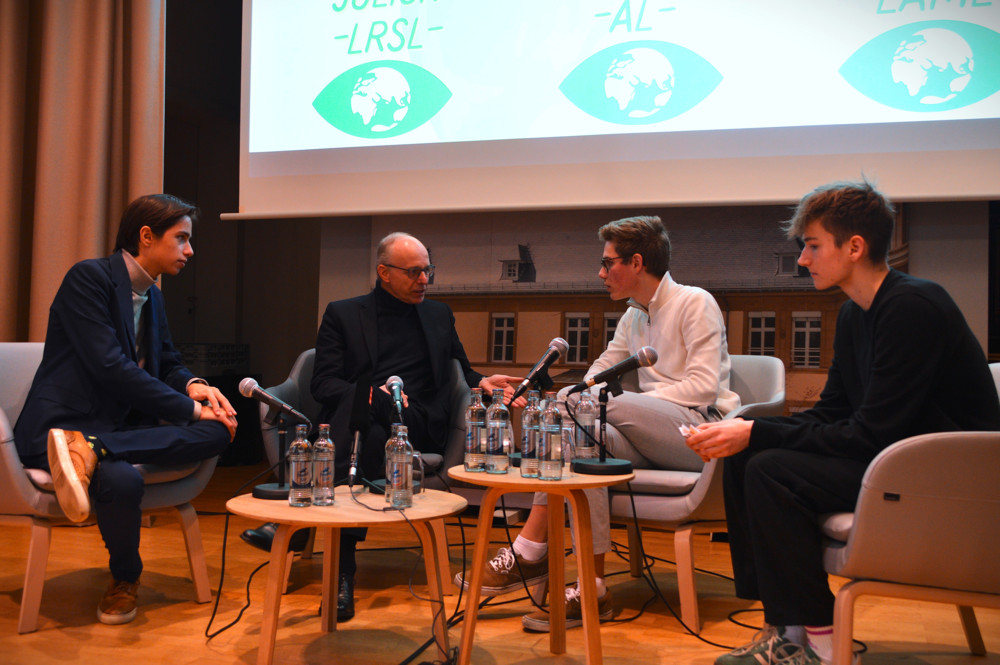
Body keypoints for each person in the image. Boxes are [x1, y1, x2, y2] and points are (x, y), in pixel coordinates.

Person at [685, 179, 1000, 665]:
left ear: (855, 247)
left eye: (812, 246)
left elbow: (875, 431)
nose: (803, 260)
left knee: (770, 467)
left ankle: (823, 641)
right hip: (895, 462)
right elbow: (835, 413)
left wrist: (757, 431)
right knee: (748, 457)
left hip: (945, 481)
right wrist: (744, 431)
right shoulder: (857, 315)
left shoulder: (913, 306)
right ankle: (785, 626)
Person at [457, 215, 740, 632]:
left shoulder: (694, 302)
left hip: (698, 436)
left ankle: (528, 552)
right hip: (645, 437)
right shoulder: (633, 316)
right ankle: (592, 586)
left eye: (608, 263)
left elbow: (700, 390)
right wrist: (566, 397)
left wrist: (596, 401)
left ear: (637, 262)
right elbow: (598, 374)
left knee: (588, 407)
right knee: (580, 434)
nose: (601, 273)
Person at [241, 231, 525, 621]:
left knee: (362, 418)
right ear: (384, 272)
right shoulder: (343, 313)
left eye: (428, 270)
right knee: (365, 419)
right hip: (367, 422)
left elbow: (457, 366)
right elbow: (323, 383)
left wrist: (482, 382)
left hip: (417, 418)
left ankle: (304, 527)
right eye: (413, 272)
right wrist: (372, 396)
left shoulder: (438, 314)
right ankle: (342, 570)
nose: (424, 280)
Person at [14, 194, 237, 626]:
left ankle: (94, 446)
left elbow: (168, 362)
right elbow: (110, 367)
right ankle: (125, 579)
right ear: (147, 236)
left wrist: (197, 388)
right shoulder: (89, 278)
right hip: (61, 429)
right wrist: (189, 412)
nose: (190, 251)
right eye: (182, 239)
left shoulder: (152, 297)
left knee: (220, 430)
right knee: (122, 480)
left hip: (111, 432)